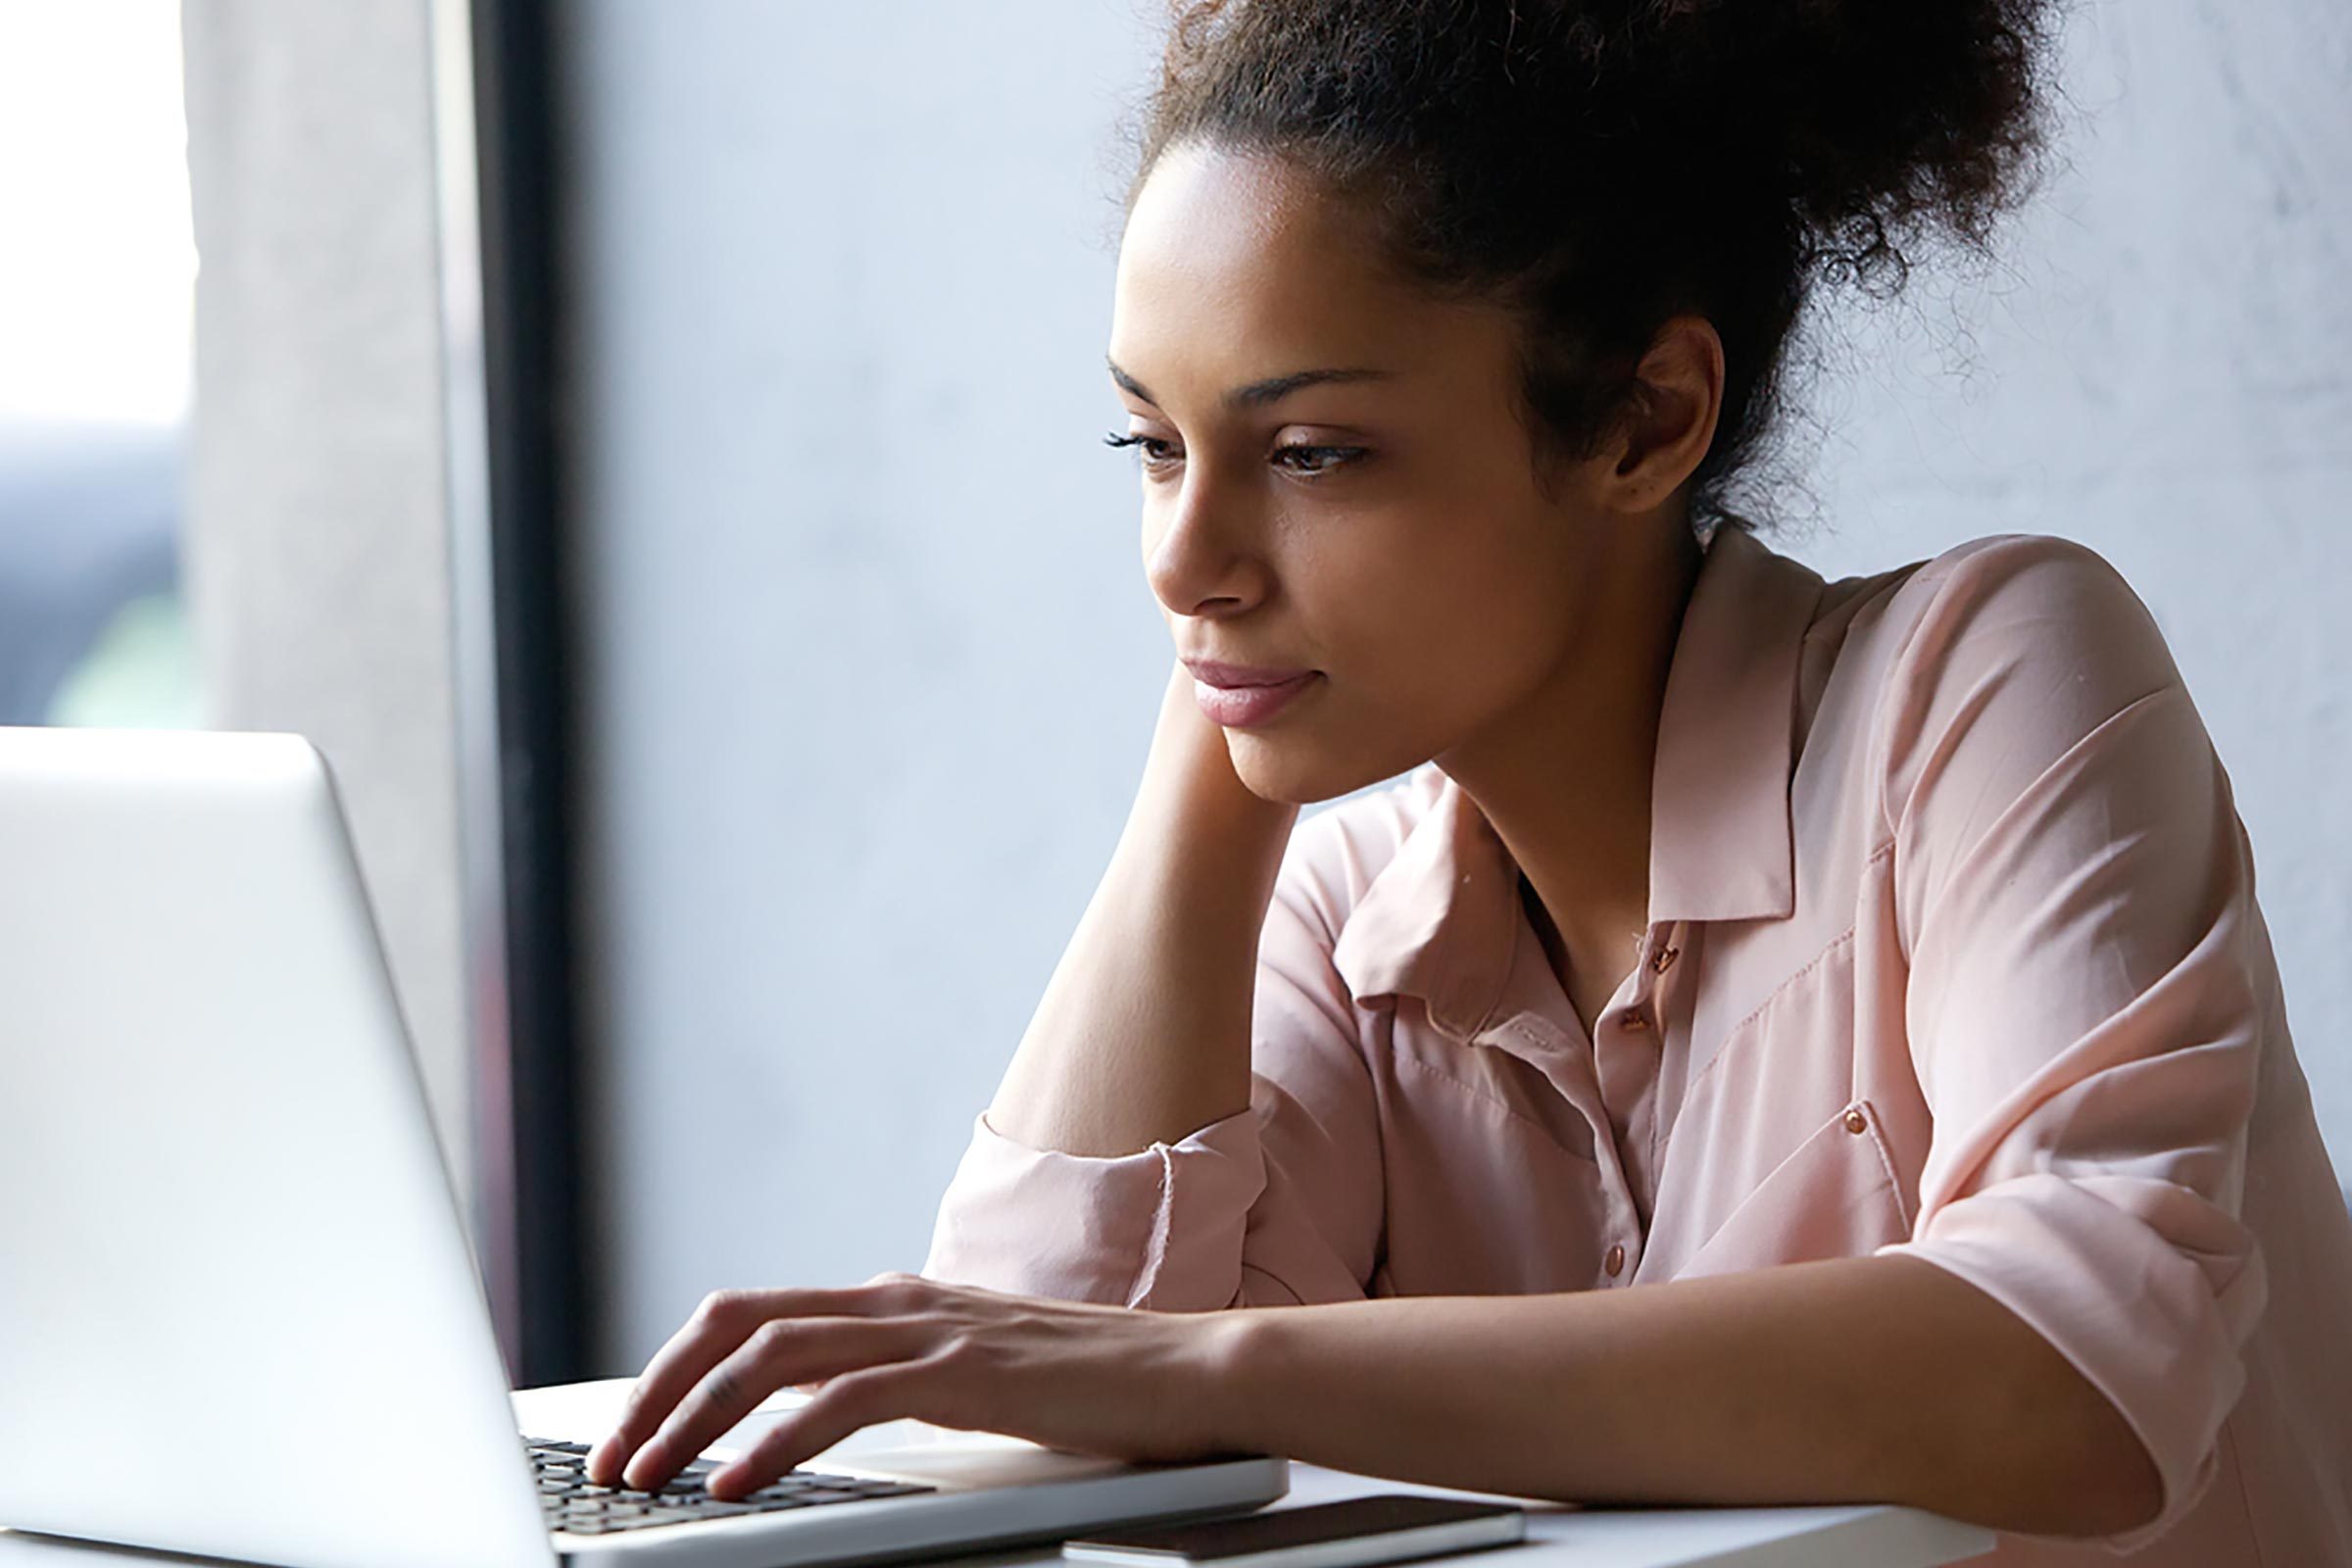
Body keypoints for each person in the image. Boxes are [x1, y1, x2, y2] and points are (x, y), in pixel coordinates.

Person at [584, 2, 2352, 1561]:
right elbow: (1030, 1423)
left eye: (1312, 453)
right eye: (1151, 445)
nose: (1178, 555)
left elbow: (2085, 1378)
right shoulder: (1343, 909)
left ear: (1648, 418)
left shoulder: (1984, 679)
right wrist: (1219, 754)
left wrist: (1229, 1371)